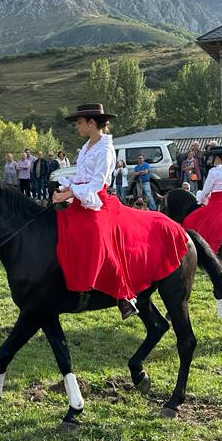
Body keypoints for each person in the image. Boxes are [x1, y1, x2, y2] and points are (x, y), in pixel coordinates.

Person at [53, 103, 143, 319]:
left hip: (97, 201)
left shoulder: (105, 149)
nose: (77, 127)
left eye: (80, 123)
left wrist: (70, 193)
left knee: (96, 234)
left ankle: (123, 294)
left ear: (92, 123)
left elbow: (96, 184)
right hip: (81, 199)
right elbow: (81, 176)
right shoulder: (86, 146)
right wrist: (67, 187)